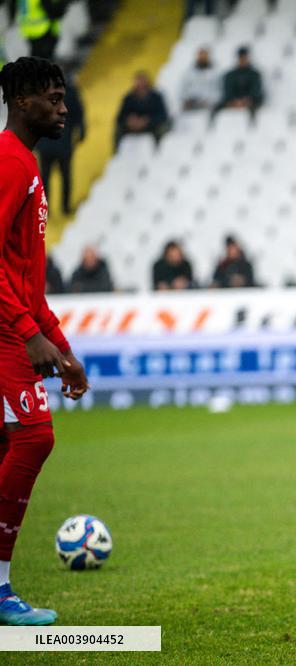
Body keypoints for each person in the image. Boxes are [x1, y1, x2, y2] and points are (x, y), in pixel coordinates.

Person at [0, 56, 89, 626]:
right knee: (34, 437)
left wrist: (61, 347)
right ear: (22, 101)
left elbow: (26, 279)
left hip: (16, 325)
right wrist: (30, 334)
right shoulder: (9, 163)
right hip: (4, 331)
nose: (63, 108)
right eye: (53, 99)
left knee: (8, 445)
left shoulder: (25, 163)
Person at [36, 70, 84, 215]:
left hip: (58, 142)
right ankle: (55, 209)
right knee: (49, 178)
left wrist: (81, 130)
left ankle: (61, 207)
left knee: (58, 176)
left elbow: (78, 115)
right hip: (52, 143)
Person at [114, 71, 169, 149]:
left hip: (151, 126)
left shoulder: (156, 97)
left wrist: (148, 120)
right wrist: (129, 120)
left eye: (142, 82)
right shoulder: (128, 98)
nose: (141, 85)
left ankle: (159, 151)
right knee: (118, 129)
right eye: (138, 82)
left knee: (163, 128)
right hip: (133, 127)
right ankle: (117, 152)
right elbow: (119, 117)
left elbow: (163, 115)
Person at [215, 46, 263, 118]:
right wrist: (234, 101)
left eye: (245, 58)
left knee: (255, 105)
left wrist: (246, 100)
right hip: (232, 102)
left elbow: (256, 90)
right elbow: (227, 90)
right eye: (241, 58)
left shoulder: (255, 74)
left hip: (251, 102)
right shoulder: (230, 75)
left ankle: (252, 123)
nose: (243, 60)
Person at [179, 47, 220, 112]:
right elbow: (182, 89)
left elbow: (218, 90)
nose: (203, 57)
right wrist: (186, 100)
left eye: (205, 55)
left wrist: (210, 101)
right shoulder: (188, 72)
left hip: (209, 105)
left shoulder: (216, 72)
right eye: (201, 55)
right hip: (191, 104)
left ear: (208, 56)